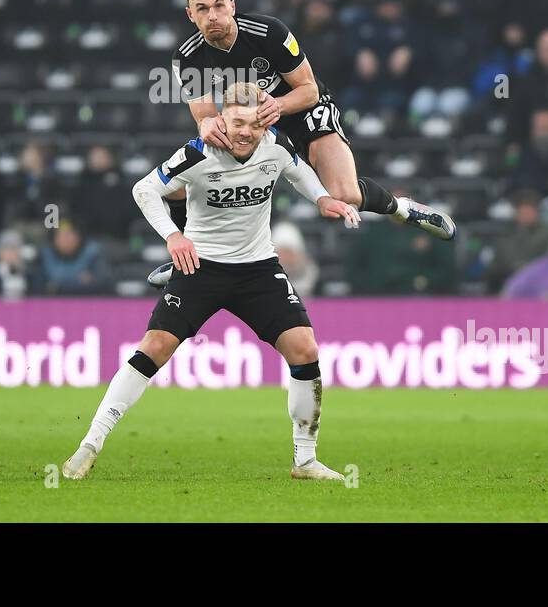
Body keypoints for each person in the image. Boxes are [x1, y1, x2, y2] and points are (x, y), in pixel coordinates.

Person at [61, 83, 360, 482]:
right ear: (221, 118)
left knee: (304, 349)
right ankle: (90, 444)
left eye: (254, 124)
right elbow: (145, 189)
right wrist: (174, 236)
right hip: (201, 266)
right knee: (155, 348)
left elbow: (297, 171)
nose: (245, 132)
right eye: (237, 122)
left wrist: (323, 198)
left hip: (257, 267)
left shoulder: (274, 144)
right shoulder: (197, 153)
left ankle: (305, 461)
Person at [146, 0, 454, 287]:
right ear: (190, 15)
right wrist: (209, 125)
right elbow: (205, 116)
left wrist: (278, 106)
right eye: (202, 9)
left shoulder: (269, 32)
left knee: (343, 194)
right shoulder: (186, 57)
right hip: (249, 129)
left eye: (219, 5)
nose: (212, 16)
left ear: (233, 6)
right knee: (179, 185)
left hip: (301, 111)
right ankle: (190, 258)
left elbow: (309, 89)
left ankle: (403, 210)